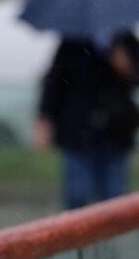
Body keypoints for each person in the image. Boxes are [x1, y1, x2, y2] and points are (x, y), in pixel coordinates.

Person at [35, 31, 139, 210]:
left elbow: (134, 79)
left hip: (115, 132)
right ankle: (78, 236)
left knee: (114, 199)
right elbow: (54, 83)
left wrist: (127, 68)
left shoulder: (124, 39)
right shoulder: (73, 42)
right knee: (77, 195)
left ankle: (108, 237)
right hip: (78, 133)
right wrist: (44, 119)